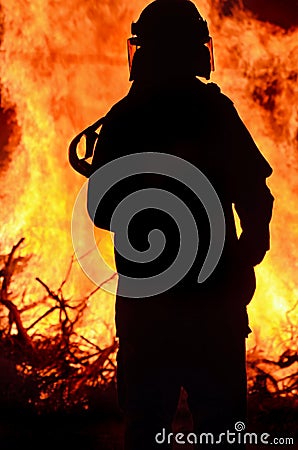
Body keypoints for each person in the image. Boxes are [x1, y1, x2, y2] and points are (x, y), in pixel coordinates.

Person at [87, 0, 274, 448]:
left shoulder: (124, 118)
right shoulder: (215, 111)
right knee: (223, 428)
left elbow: (100, 209)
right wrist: (245, 257)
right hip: (214, 304)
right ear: (196, 50)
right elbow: (255, 195)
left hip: (148, 307)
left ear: (144, 52)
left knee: (146, 429)